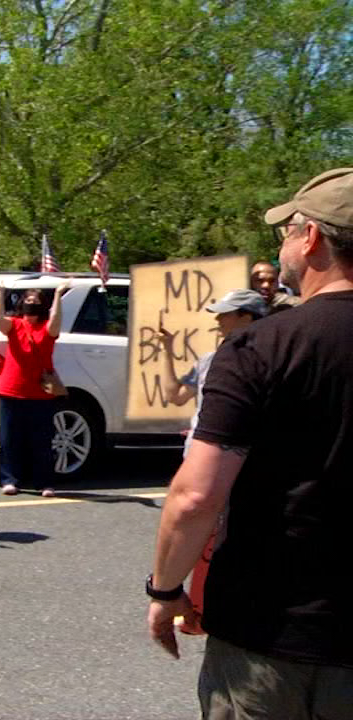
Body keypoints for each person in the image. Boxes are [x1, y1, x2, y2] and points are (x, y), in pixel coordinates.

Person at [146, 167, 353, 718]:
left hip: (268, 634)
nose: (282, 244)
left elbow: (196, 496)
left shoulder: (259, 347)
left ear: (312, 238)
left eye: (287, 231)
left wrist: (166, 591)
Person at [158, 290, 268, 455]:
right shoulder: (207, 361)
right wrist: (167, 350)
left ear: (246, 319)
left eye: (225, 314)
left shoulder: (268, 363)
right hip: (198, 456)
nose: (217, 319)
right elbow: (176, 397)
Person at [0, 278, 71, 497]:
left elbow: (56, 319)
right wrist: (0, 292)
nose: (31, 303)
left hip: (41, 392)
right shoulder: (15, 325)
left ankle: (44, 482)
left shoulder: (47, 328)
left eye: (36, 300)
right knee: (9, 439)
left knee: (42, 440)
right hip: (11, 389)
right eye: (28, 299)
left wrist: (58, 294)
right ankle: (9, 480)